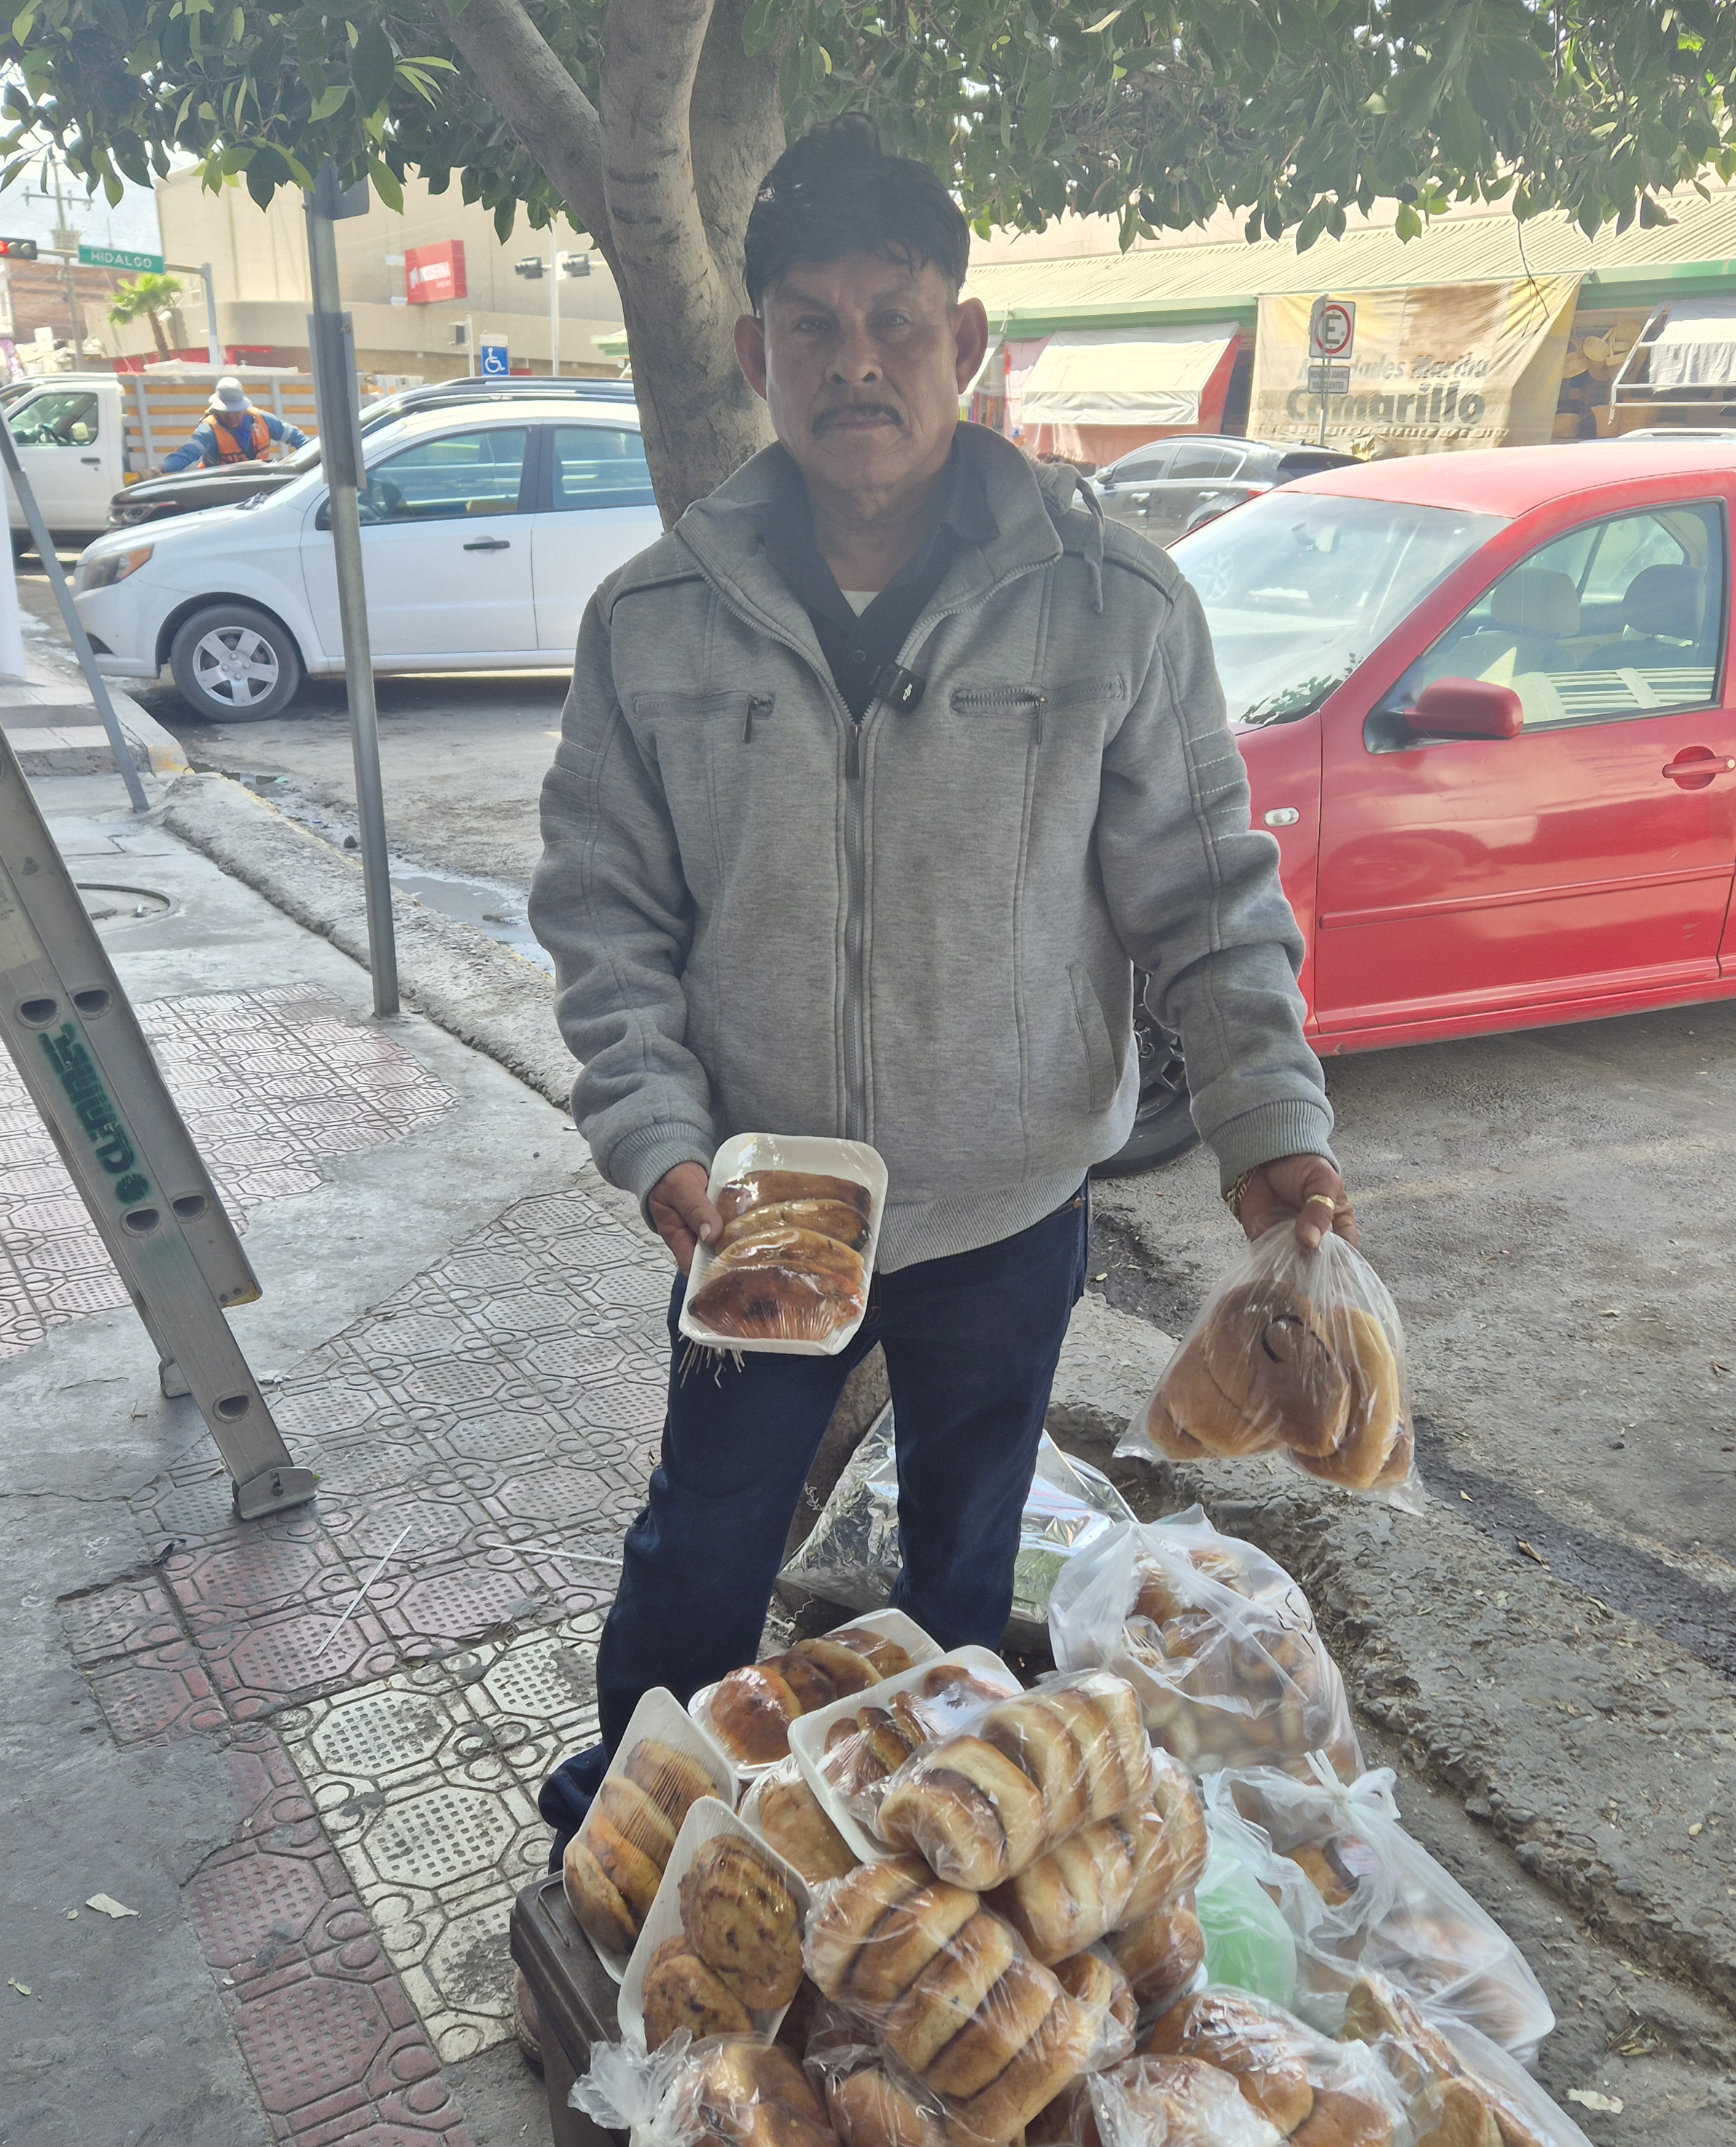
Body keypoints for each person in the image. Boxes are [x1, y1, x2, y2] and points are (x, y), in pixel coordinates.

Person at [525, 117, 1357, 1850]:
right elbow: (602, 912)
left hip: (1008, 1191)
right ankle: (636, 1822)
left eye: (896, 319)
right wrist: (657, 1140)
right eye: (812, 326)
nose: (855, 363)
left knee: (964, 1546)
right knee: (703, 1539)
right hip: (762, 1209)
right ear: (755, 351)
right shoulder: (652, 622)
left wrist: (1270, 1126)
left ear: (964, 344)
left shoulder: (1110, 604)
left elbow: (1206, 887)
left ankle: (923, 1843)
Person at [159, 376, 307, 472]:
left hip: (260, 482)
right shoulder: (209, 430)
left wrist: (318, 457)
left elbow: (296, 437)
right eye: (226, 411)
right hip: (219, 488)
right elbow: (187, 454)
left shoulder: (262, 420)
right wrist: (160, 469)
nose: (232, 416)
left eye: (237, 411)